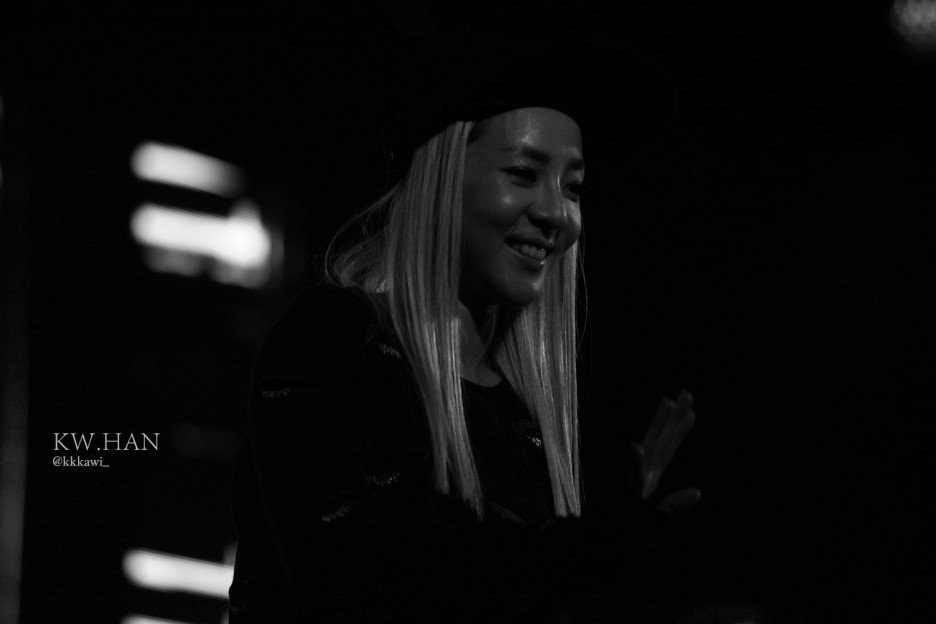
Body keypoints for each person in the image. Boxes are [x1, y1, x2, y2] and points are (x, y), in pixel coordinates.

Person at [228, 30, 699, 623]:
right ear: (442, 176)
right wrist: (570, 557)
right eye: (523, 172)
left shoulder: (520, 422)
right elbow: (347, 580)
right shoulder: (335, 340)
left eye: (573, 188)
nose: (557, 213)